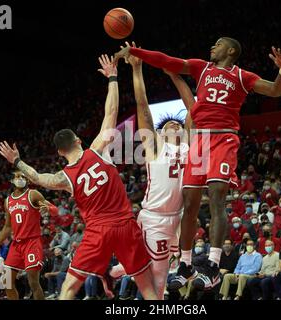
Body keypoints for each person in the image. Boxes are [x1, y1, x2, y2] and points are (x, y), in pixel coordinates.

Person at [115, 37, 281, 290]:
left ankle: (213, 265)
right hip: (200, 141)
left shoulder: (242, 76)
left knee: (217, 198)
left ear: (230, 50)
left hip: (224, 137)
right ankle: (185, 265)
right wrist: (135, 51)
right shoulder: (201, 67)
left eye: (218, 44)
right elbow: (168, 61)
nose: (212, 47)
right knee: (190, 202)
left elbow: (276, 90)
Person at [0, 54, 157, 300]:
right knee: (148, 288)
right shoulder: (97, 149)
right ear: (79, 140)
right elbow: (112, 110)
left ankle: (105, 276)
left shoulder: (65, 177)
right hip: (126, 225)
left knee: (69, 289)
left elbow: (38, 177)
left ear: (60, 152)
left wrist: (17, 161)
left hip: (97, 232)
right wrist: (113, 77)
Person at [117, 42, 193, 299]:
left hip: (179, 217)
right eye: (169, 123)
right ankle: (130, 267)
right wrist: (137, 70)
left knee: (165, 271)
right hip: (157, 217)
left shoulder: (191, 146)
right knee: (158, 280)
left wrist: (176, 77)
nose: (175, 125)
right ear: (159, 133)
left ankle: (128, 263)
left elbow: (194, 109)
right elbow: (142, 106)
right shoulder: (155, 147)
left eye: (178, 123)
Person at [0, 170, 58, 300]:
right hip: (16, 244)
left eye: (23, 176)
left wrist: (48, 209)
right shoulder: (8, 201)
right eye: (17, 176)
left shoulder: (33, 194)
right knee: (7, 282)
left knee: (33, 282)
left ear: (28, 180)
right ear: (12, 180)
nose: (20, 178)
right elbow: (7, 226)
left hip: (32, 242)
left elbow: (55, 210)